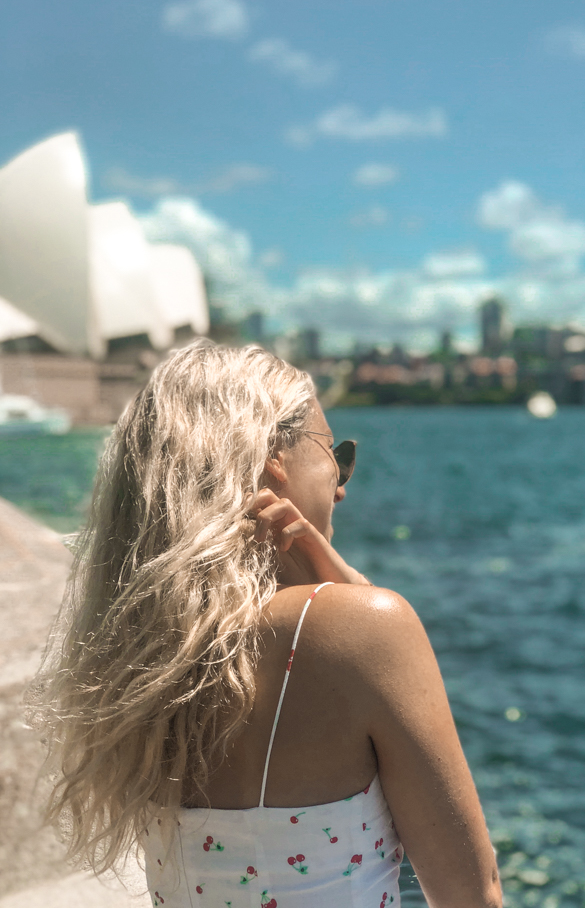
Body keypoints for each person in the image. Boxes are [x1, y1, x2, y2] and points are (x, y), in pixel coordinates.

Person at [30, 341, 502, 908]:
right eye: (337, 454)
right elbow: (474, 895)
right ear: (273, 455)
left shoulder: (140, 653)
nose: (343, 484)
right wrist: (365, 600)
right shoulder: (363, 630)